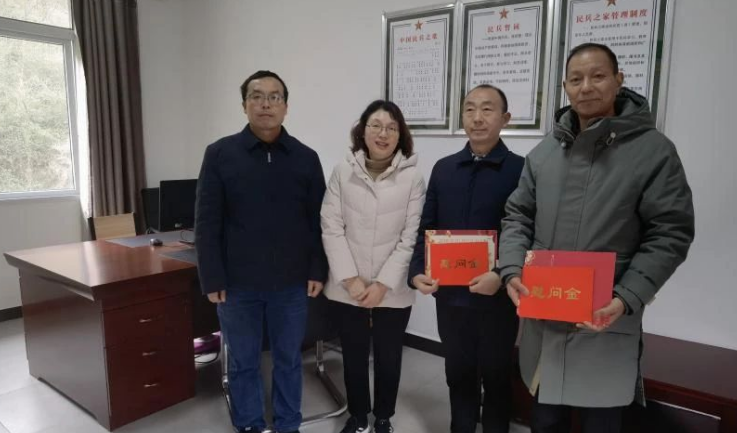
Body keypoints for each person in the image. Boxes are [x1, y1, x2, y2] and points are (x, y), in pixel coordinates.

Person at [499, 43, 695, 433]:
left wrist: (628, 295)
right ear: (565, 87)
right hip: (547, 322)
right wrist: (512, 269)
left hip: (605, 318)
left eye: (598, 76)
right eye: (576, 79)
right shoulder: (544, 153)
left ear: (619, 80)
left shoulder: (653, 152)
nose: (586, 86)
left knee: (600, 422)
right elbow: (517, 215)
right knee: (545, 421)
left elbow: (671, 231)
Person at [195, 70, 327, 433]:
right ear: (244, 105)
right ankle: (250, 425)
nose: (265, 104)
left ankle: (288, 424)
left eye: (274, 97)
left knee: (288, 359)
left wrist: (317, 269)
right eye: (257, 96)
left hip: (291, 283)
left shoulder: (305, 158)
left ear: (285, 106)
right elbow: (207, 222)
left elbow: (319, 222)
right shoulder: (220, 154)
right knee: (243, 362)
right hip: (237, 285)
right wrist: (212, 277)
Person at [409, 85, 524, 433]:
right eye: (470, 109)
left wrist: (501, 274)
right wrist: (417, 271)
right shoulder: (444, 169)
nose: (477, 117)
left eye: (487, 109)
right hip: (451, 298)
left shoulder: (521, 170)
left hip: (498, 300)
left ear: (505, 118)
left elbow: (529, 234)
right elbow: (426, 228)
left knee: (497, 375)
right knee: (458, 373)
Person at [321, 100, 425, 433]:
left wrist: (382, 284)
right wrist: (350, 279)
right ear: (362, 131)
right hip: (347, 285)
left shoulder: (413, 178)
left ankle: (383, 417)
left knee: (389, 355)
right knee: (352, 353)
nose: (383, 134)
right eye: (376, 126)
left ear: (400, 135)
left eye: (392, 127)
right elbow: (331, 227)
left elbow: (410, 237)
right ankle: (357, 415)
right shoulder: (342, 172)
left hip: (392, 287)